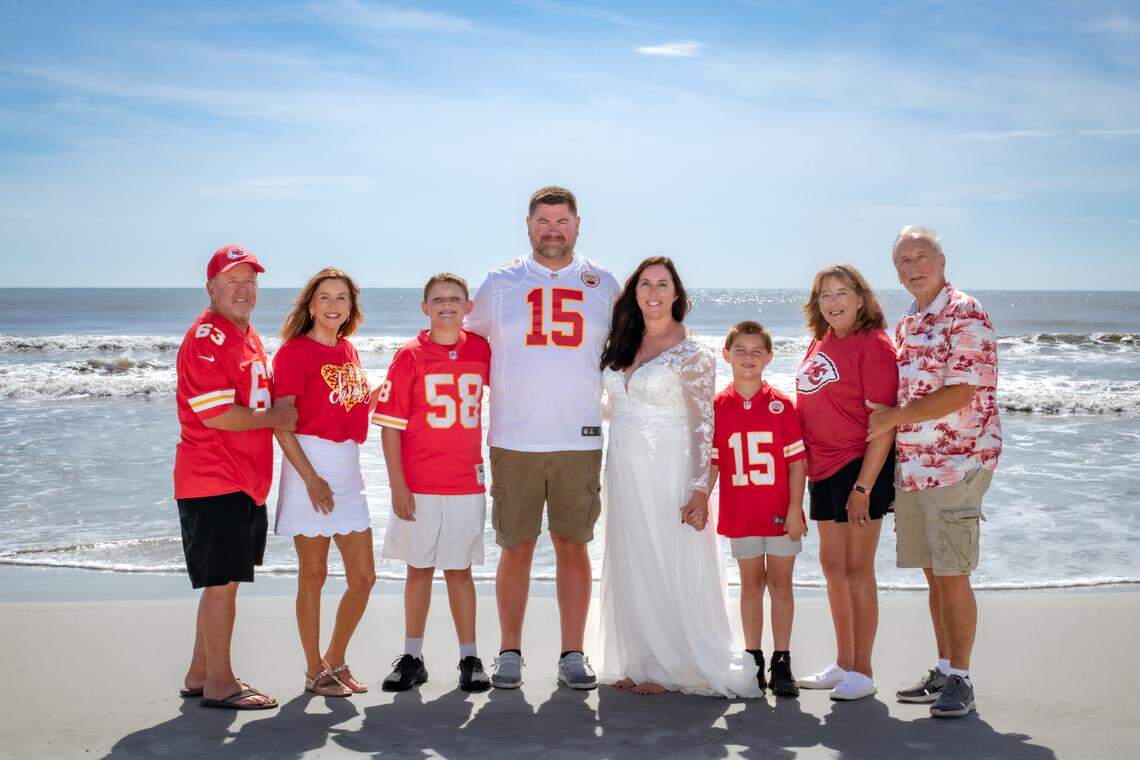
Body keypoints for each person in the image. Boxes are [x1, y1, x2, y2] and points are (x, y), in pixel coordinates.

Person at [467, 186, 620, 690]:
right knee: (517, 546)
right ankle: (509, 651)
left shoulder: (604, 283)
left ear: (578, 225)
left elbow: (629, 351)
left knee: (573, 545)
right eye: (543, 221)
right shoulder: (500, 282)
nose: (552, 230)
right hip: (515, 436)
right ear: (527, 225)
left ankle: (572, 653)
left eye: (562, 221)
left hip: (580, 437)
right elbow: (466, 345)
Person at [597, 257, 761, 698]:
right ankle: (639, 659)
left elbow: (705, 425)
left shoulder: (692, 352)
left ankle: (673, 665)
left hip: (669, 465)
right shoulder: (620, 344)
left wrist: (700, 488)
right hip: (624, 466)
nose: (653, 292)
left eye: (662, 285)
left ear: (676, 294)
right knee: (632, 555)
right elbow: (611, 405)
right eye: (645, 284)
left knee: (669, 554)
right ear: (635, 292)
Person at [866, 226, 1002, 718]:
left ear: (942, 261)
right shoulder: (908, 320)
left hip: (958, 462)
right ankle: (944, 668)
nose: (913, 265)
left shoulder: (966, 312)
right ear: (897, 272)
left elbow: (963, 391)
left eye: (922, 256)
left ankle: (962, 680)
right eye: (904, 260)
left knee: (952, 574)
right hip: (915, 467)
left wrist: (893, 419)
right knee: (932, 573)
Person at [173, 244, 297, 710]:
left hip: (244, 478)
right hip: (212, 477)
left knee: (220, 582)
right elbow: (216, 415)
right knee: (222, 583)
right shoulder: (208, 336)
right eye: (232, 281)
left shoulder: (247, 335)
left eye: (250, 281)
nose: (243, 290)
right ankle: (221, 684)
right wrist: (277, 419)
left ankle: (201, 672)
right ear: (211, 288)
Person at [374, 273, 493, 693]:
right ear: (425, 307)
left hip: (466, 481)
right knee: (419, 569)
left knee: (459, 571)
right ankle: (412, 656)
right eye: (438, 299)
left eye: (455, 299)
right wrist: (397, 485)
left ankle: (470, 658)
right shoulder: (409, 355)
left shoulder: (482, 350)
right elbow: (389, 427)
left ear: (468, 307)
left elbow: (517, 394)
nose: (447, 305)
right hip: (419, 483)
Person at [795, 264, 898, 701]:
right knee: (833, 569)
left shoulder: (874, 345)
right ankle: (843, 663)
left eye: (842, 293)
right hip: (822, 469)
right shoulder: (822, 340)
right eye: (824, 295)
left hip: (859, 468)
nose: (833, 302)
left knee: (858, 570)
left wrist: (863, 488)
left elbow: (884, 423)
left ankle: (865, 670)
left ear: (861, 298)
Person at [272, 268, 377, 698]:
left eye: (342, 299)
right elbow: (282, 423)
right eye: (325, 298)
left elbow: (349, 407)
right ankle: (314, 669)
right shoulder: (293, 353)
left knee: (364, 577)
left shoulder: (349, 350)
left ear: (351, 308)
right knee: (313, 574)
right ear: (310, 305)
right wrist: (310, 478)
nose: (334, 305)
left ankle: (335, 658)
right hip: (308, 463)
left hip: (348, 466)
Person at [711, 321, 807, 698]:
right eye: (740, 350)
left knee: (781, 584)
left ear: (768, 357)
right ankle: (753, 658)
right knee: (751, 584)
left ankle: (781, 660)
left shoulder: (781, 405)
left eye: (756, 351)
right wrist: (701, 497)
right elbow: (715, 461)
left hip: (781, 511)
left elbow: (797, 463)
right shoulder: (718, 406)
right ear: (726, 355)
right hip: (741, 512)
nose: (748, 358)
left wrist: (796, 508)